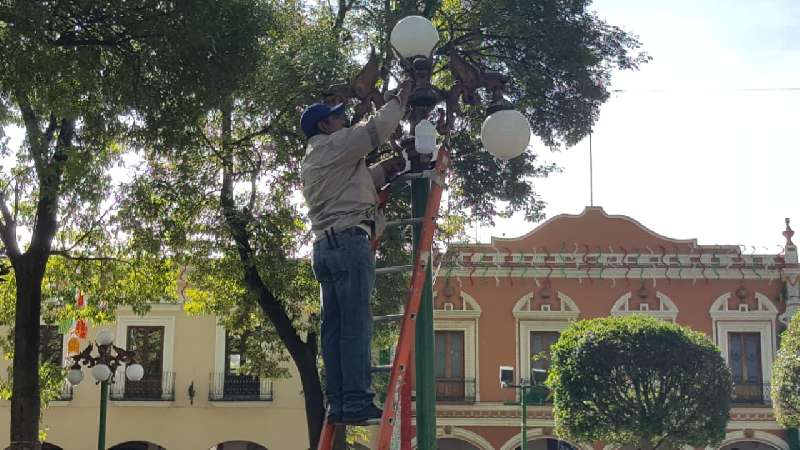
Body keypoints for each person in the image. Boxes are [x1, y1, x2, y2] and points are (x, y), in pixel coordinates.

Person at [300, 79, 413, 425]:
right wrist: (401, 97)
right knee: (355, 326)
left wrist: (386, 170)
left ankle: (340, 403)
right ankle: (358, 400)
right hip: (350, 244)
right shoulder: (335, 145)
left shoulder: (315, 160)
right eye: (337, 117)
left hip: (325, 247)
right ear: (324, 126)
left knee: (334, 330)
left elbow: (353, 188)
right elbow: (376, 128)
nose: (344, 120)